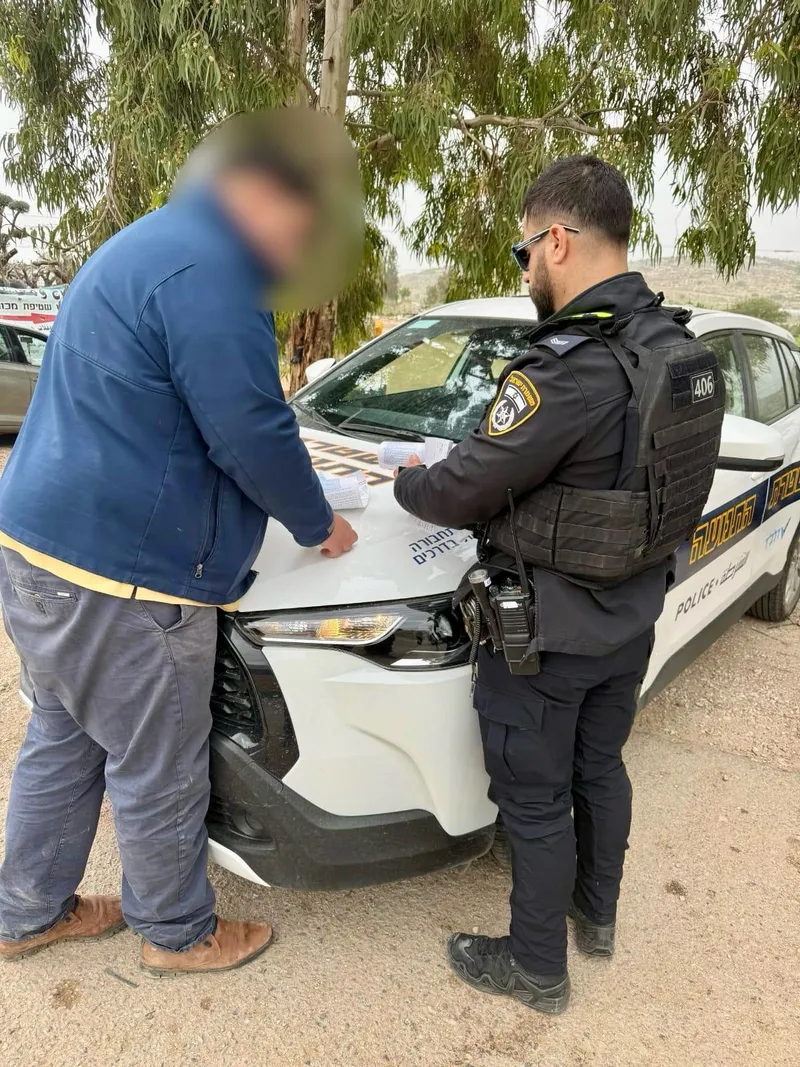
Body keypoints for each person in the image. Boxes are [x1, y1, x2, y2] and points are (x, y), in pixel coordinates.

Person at [0, 117, 359, 975]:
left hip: (40, 550)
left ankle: (25, 911)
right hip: (123, 573)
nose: (295, 252)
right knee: (157, 758)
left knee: (65, 736)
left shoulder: (147, 244)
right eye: (300, 226)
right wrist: (319, 521)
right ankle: (178, 932)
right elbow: (250, 429)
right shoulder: (212, 268)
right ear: (263, 192)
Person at [394, 155, 722, 1013]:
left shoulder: (568, 368)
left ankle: (536, 967)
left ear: (559, 240)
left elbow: (463, 487)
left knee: (534, 801)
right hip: (631, 618)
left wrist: (405, 481)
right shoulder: (677, 349)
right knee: (600, 768)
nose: (525, 269)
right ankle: (595, 917)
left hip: (546, 637)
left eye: (523, 251)